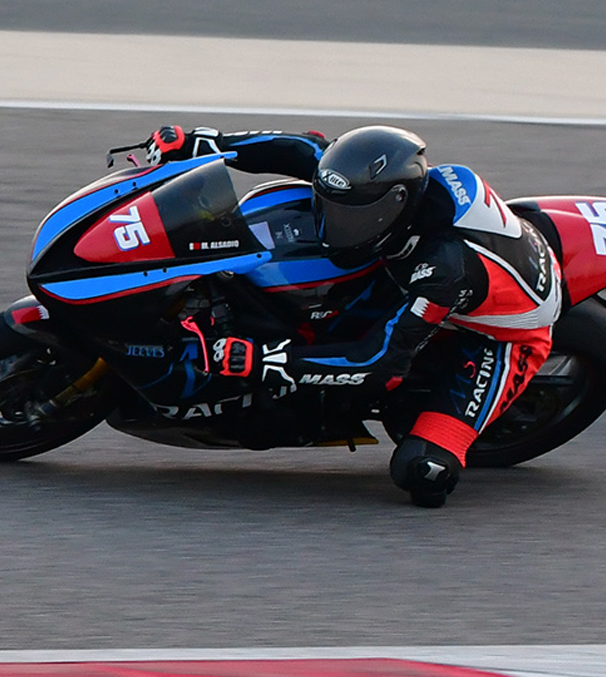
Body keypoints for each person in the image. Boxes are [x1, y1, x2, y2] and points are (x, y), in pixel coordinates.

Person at [135, 124, 562, 507]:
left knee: (421, 472)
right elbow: (297, 148)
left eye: (351, 216)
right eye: (330, 205)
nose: (332, 224)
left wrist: (266, 359)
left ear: (393, 206)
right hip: (429, 271)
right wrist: (204, 143)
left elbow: (379, 363)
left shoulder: (442, 271)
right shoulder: (370, 182)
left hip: (502, 339)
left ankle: (439, 445)